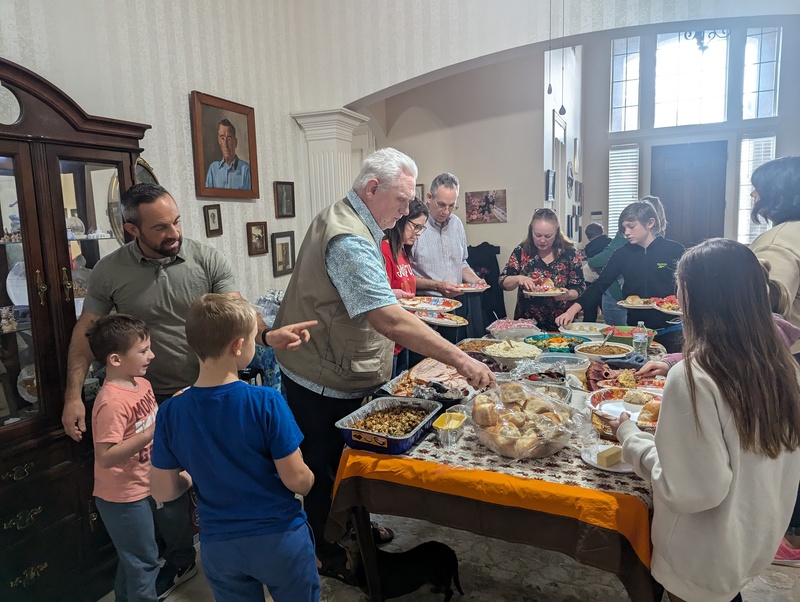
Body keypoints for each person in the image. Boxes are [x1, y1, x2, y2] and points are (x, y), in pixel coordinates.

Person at [60, 182, 316, 594]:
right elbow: (84, 334)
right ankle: (180, 559)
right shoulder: (109, 270)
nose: (174, 232)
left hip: (209, 393)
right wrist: (73, 395)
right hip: (153, 401)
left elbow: (238, 315)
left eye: (176, 220)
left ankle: (203, 553)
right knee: (167, 497)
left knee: (220, 474)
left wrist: (267, 337)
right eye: (160, 227)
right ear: (131, 230)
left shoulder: (205, 258)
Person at [272, 148, 495, 582]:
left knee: (349, 464)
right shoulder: (350, 237)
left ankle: (354, 527)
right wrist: (460, 359)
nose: (408, 209)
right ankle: (329, 551)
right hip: (320, 376)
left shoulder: (358, 220)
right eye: (402, 199)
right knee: (325, 470)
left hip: (336, 366)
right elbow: (387, 317)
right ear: (372, 189)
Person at [609, 238, 800, 602]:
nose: (676, 302)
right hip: (752, 539)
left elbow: (691, 491)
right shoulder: (782, 365)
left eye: (679, 292)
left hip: (701, 555)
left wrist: (631, 438)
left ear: (698, 299)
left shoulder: (695, 377)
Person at [150, 294, 319, 602]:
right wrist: (310, 475)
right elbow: (297, 481)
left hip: (219, 546)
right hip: (278, 537)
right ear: (239, 346)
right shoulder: (266, 401)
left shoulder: (171, 411)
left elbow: (162, 491)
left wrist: (192, 477)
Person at [747, 155, 800, 565]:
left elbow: (773, 293)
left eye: (758, 188)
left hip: (785, 356)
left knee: (782, 445)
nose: (752, 195)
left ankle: (784, 536)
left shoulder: (785, 236)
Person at [88, 315, 160, 601]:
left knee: (133, 560)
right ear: (115, 359)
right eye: (143, 351)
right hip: (122, 497)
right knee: (144, 563)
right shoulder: (111, 402)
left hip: (142, 485)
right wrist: (153, 431)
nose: (151, 355)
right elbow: (105, 457)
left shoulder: (142, 385)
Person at [555, 197, 685, 353]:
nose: (627, 233)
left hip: (671, 329)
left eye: (631, 226)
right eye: (624, 228)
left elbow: (688, 288)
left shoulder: (674, 250)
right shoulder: (622, 254)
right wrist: (571, 311)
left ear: (650, 223)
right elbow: (599, 285)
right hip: (636, 331)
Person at [410, 172, 486, 343]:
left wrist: (475, 281)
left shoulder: (456, 224)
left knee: (454, 359)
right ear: (429, 197)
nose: (446, 211)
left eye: (452, 206)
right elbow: (404, 276)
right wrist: (437, 285)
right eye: (441, 205)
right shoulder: (415, 226)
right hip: (426, 307)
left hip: (456, 305)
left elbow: (461, 263)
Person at [498, 208, 585, 332]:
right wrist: (519, 279)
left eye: (548, 236)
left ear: (556, 233)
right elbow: (503, 282)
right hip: (527, 324)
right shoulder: (522, 251)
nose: (542, 240)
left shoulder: (570, 253)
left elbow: (580, 288)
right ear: (531, 232)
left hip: (561, 322)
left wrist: (567, 295)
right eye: (537, 235)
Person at [749, 155, 800, 358]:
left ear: (777, 193)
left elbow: (766, 310)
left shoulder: (777, 242)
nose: (753, 194)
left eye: (758, 188)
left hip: (788, 353)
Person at [381, 198, 429, 377]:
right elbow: (382, 295)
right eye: (415, 226)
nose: (418, 233)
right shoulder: (384, 250)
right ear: (401, 220)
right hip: (390, 338)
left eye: (421, 228)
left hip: (405, 335)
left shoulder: (402, 250)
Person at [204, 118, 252, 190]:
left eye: (229, 139)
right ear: (219, 141)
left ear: (235, 142)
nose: (225, 144)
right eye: (222, 138)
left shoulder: (245, 169)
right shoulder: (213, 169)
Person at [580, 222, 610, 322]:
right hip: (606, 280)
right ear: (602, 232)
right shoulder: (610, 242)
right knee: (606, 308)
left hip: (589, 278)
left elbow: (591, 260)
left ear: (588, 236)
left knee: (589, 309)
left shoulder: (588, 247)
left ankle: (588, 326)